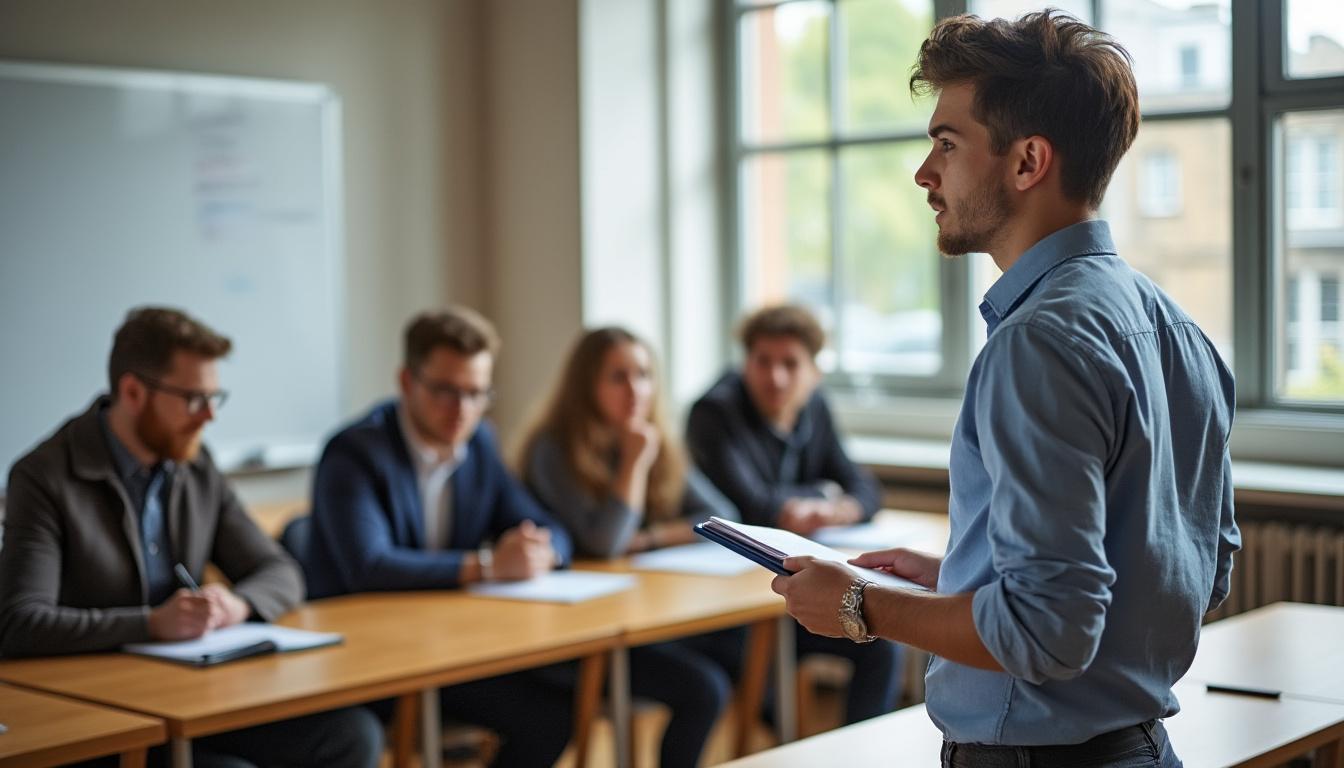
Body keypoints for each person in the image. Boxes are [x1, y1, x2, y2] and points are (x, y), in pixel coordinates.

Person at [770, 11, 1239, 768]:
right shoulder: (1180, 330)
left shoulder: (1036, 343)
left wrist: (862, 605)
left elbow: (1046, 633)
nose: (925, 173)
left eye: (947, 144)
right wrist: (965, 576)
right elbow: (1196, 574)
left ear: (1027, 162)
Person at [0, 307, 383, 768]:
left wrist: (237, 605)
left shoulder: (196, 466)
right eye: (193, 399)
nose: (209, 415)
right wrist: (151, 624)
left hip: (196, 694)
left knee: (351, 735)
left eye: (214, 397)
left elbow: (279, 570)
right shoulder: (45, 477)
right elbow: (21, 622)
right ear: (133, 392)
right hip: (103, 713)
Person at [302, 306, 576, 767]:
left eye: (476, 393)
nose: (462, 410)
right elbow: (370, 566)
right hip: (363, 663)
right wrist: (488, 567)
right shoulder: (353, 452)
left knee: (551, 716)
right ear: (407, 381)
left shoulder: (479, 442)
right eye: (446, 391)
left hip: (444, 651)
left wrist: (540, 552)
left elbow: (549, 529)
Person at [518, 326, 738, 768]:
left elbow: (721, 514)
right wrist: (634, 463)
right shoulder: (553, 449)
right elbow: (606, 543)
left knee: (739, 653)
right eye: (618, 377)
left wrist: (651, 538)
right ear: (587, 385)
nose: (635, 390)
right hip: (580, 636)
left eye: (643, 375)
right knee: (704, 689)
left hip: (639, 621)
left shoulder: (654, 437)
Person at [686, 304, 903, 725]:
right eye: (762, 361)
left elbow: (865, 488)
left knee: (881, 646)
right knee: (767, 698)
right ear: (745, 362)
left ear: (814, 372)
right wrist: (822, 494)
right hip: (730, 607)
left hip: (794, 594)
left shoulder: (813, 406)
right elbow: (752, 506)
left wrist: (837, 507)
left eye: (790, 364)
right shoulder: (713, 412)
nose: (776, 377)